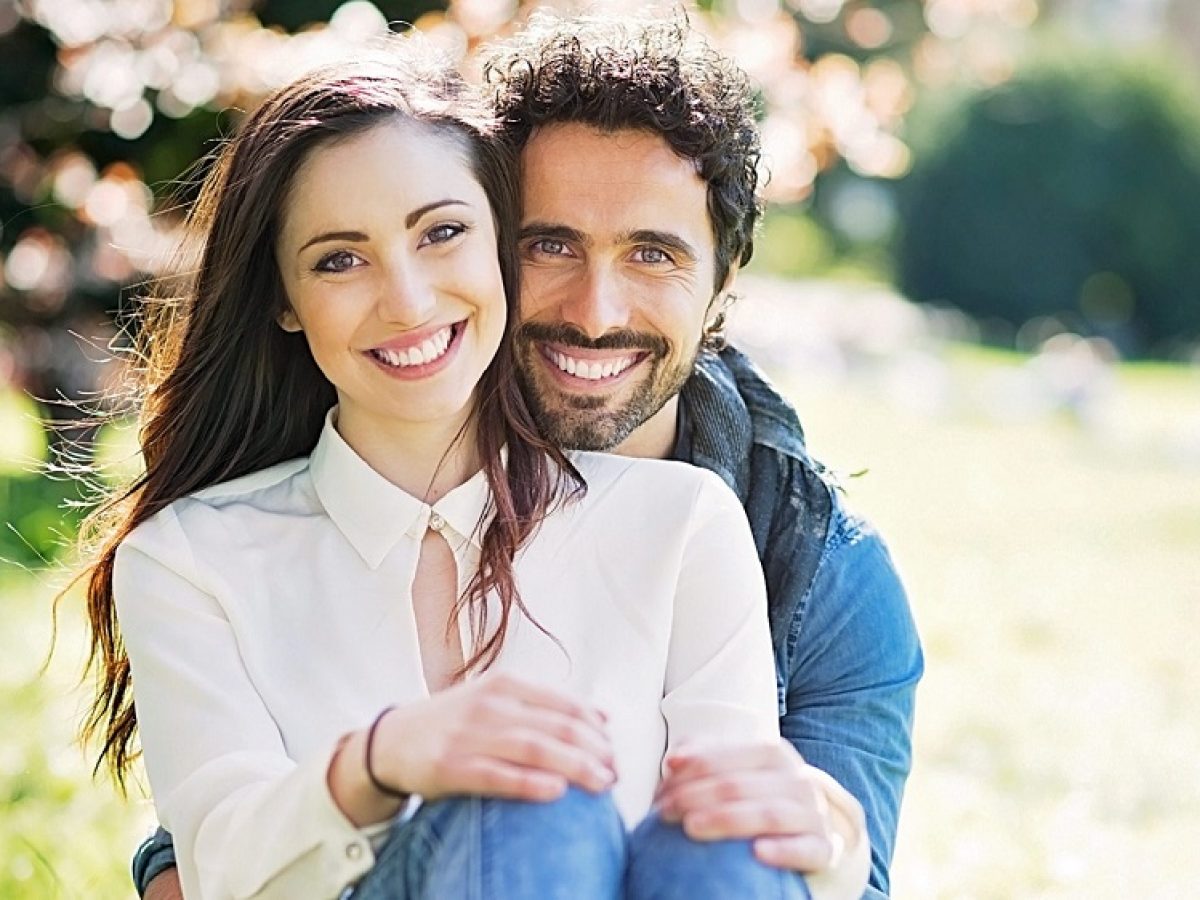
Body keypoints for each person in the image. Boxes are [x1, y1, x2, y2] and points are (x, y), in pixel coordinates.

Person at [134, 11, 922, 900]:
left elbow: (784, 862)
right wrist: (382, 762)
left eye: (652, 254)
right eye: (550, 245)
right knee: (526, 802)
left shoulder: (738, 540)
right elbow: (203, 848)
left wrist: (828, 834)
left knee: (709, 832)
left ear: (721, 285)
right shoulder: (195, 555)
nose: (594, 311)